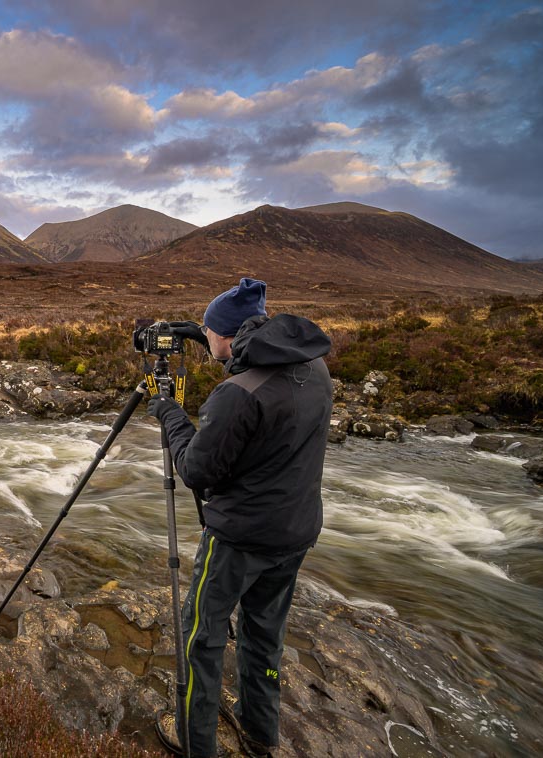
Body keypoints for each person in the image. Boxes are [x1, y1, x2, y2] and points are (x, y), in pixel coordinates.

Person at [147, 277, 333, 758]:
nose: (206, 340)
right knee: (263, 636)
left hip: (239, 540)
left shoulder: (238, 393)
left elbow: (195, 470)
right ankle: (259, 732)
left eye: (209, 333)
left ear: (227, 338)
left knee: (201, 640)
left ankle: (196, 744)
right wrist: (196, 329)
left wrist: (170, 414)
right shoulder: (313, 368)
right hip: (295, 532)